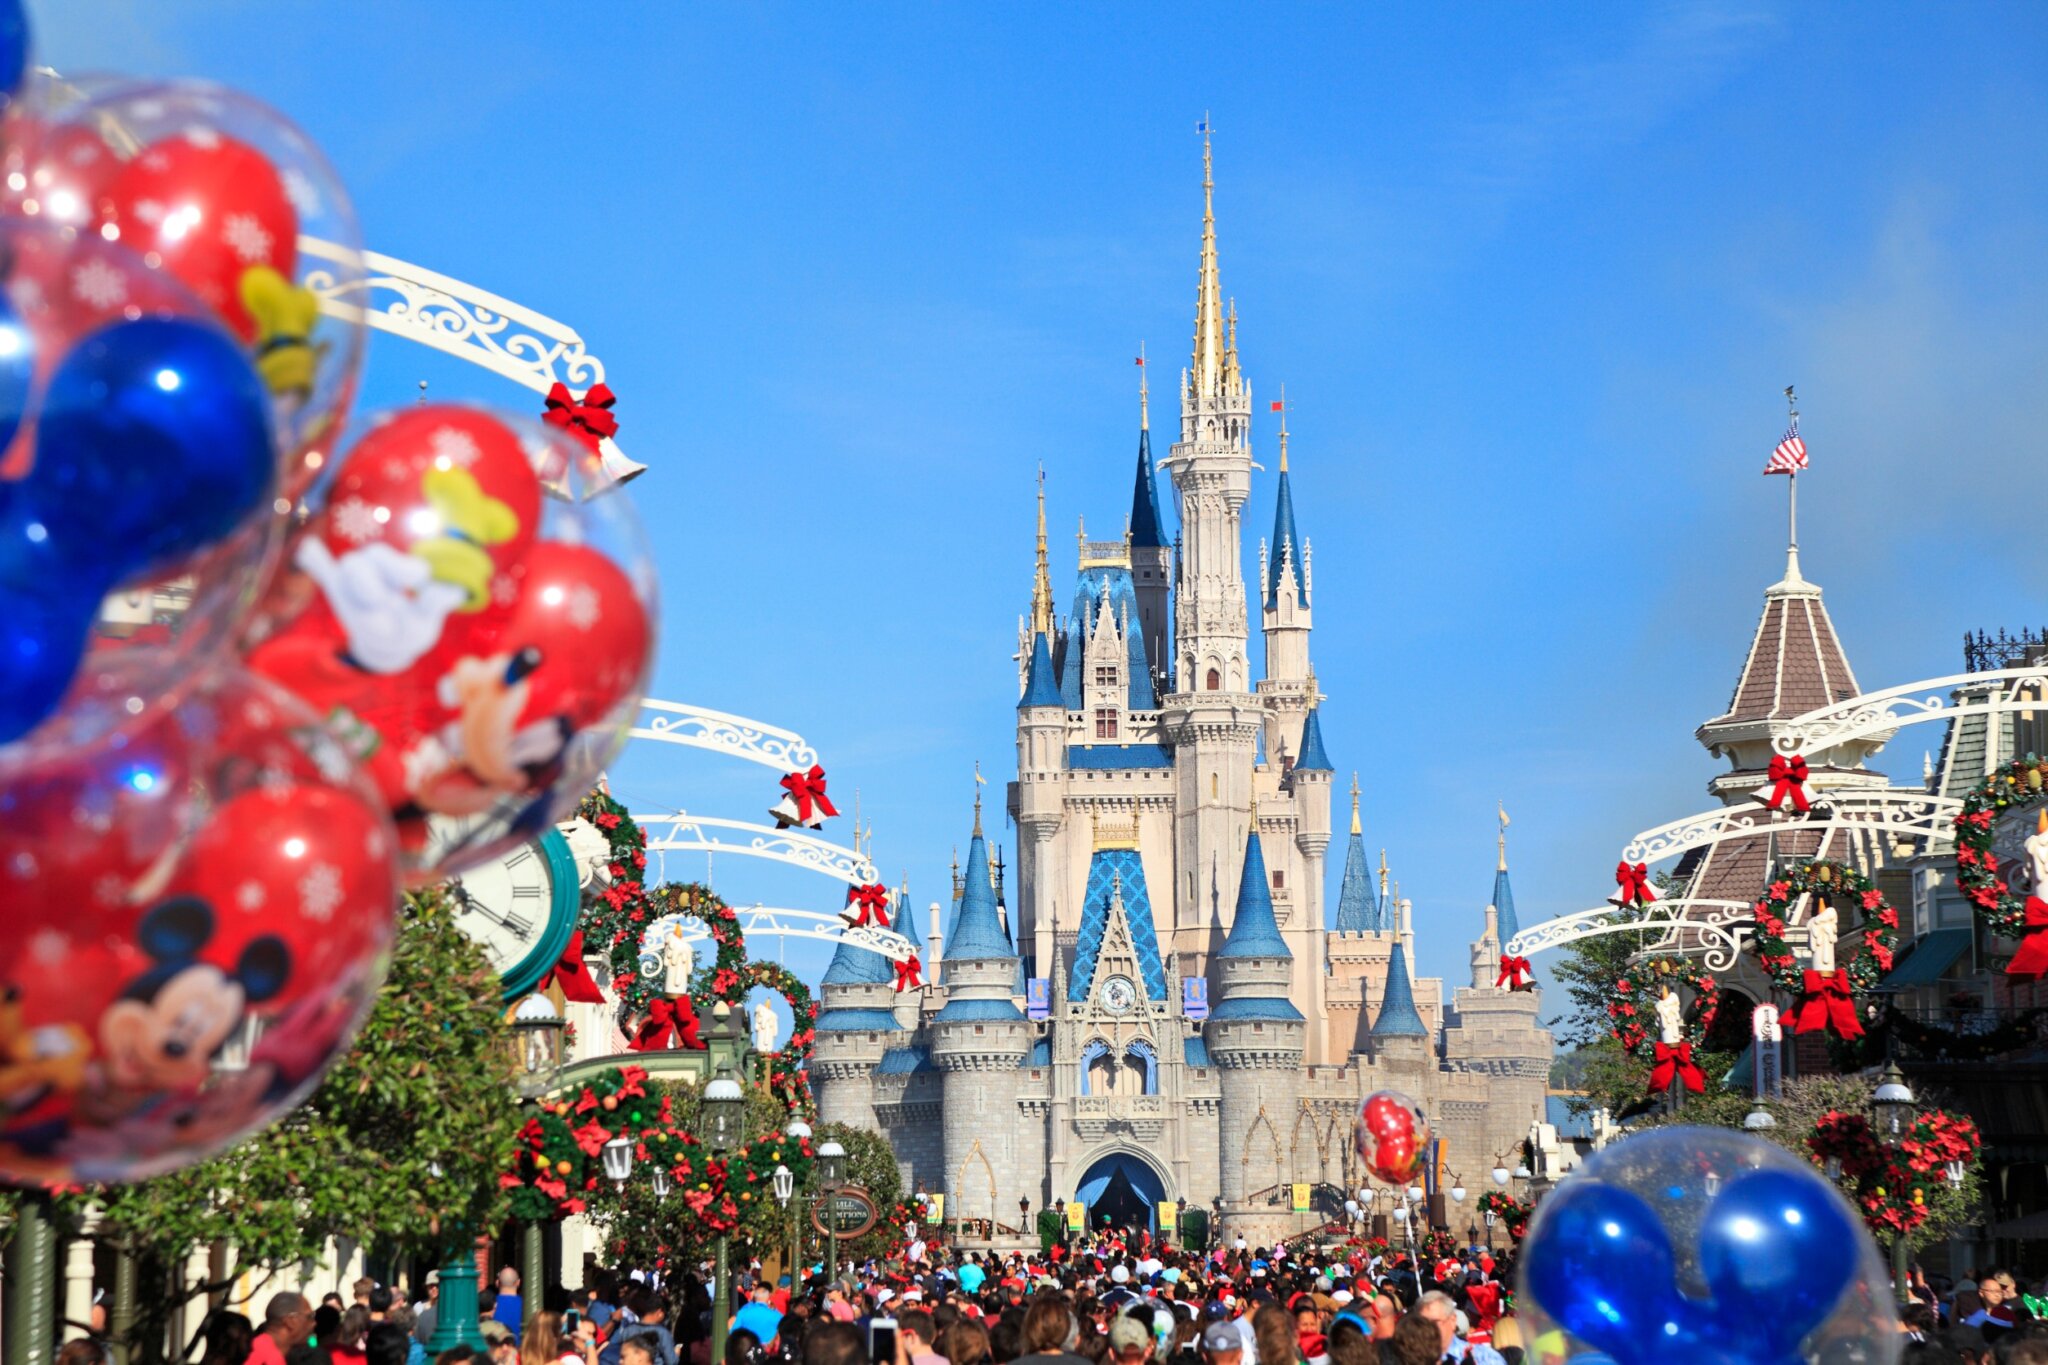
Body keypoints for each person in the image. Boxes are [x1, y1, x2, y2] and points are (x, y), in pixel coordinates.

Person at [1409, 1295, 1502, 1365]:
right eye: (1421, 1323)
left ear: (1453, 1320)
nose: (1427, 1328)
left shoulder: (1484, 1357)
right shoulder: (1410, 1358)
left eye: (1435, 1322)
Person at [252, 1294, 315, 1365]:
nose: (314, 1323)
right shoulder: (266, 1358)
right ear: (291, 1321)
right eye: (310, 1316)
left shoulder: (261, 1350)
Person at [495, 1271, 526, 1340]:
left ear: (497, 1283)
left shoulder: (490, 1304)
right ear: (518, 1282)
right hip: (518, 1348)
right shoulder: (525, 1305)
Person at [414, 1275, 441, 1346]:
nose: (434, 1288)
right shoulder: (418, 1307)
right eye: (431, 1286)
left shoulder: (446, 1308)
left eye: (437, 1285)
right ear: (426, 1287)